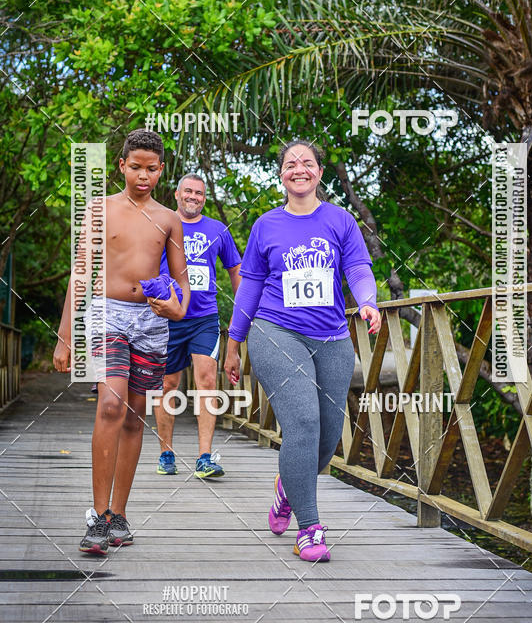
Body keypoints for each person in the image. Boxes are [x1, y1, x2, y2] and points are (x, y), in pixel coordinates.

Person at [224, 140, 381, 562]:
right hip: (276, 332)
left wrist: (367, 300)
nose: (299, 169)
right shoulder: (266, 225)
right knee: (304, 422)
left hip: (331, 338)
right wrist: (234, 344)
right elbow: (251, 288)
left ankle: (287, 487)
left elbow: (358, 268)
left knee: (327, 441)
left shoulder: (340, 220)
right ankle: (310, 530)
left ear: (318, 173)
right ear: (281, 175)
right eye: (290, 164)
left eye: (307, 163)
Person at [53, 129, 190, 555]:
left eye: (151, 169)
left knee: (134, 415)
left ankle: (118, 514)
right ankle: (96, 518)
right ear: (121, 166)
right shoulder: (99, 209)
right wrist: (65, 338)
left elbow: (181, 282)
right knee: (110, 403)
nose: (143, 176)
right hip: (105, 313)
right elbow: (79, 273)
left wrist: (178, 309)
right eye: (135, 168)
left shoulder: (168, 219)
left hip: (150, 321)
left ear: (161, 169)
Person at [154, 173, 242, 478]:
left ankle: (205, 457)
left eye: (200, 193)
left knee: (207, 381)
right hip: (168, 318)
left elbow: (236, 271)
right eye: (188, 191)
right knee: (168, 385)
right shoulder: (161, 223)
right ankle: (166, 452)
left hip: (204, 319)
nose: (194, 197)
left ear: (204, 198)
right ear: (177, 195)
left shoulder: (218, 230)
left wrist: (240, 313)